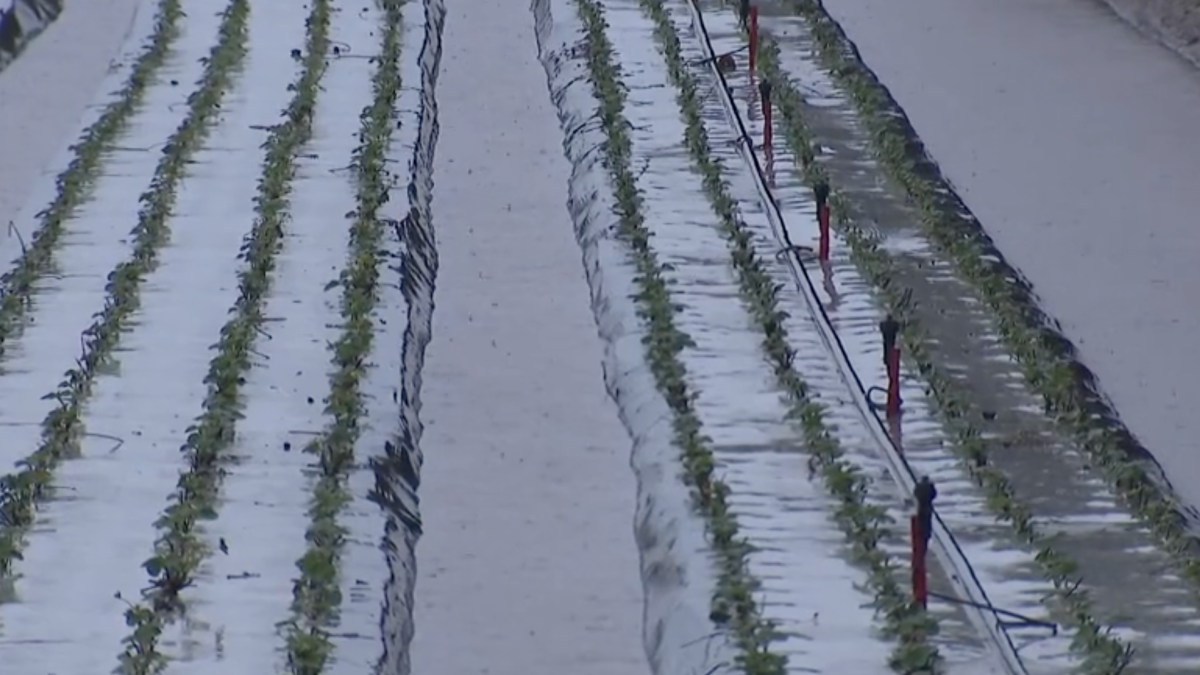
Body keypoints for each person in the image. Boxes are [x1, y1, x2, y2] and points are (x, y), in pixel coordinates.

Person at [914, 476, 937, 551]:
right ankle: (926, 536)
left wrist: (920, 499)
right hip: (928, 505)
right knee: (927, 522)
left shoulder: (919, 485)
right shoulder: (930, 486)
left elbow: (915, 493)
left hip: (921, 506)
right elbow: (934, 494)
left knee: (920, 520)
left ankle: (920, 535)